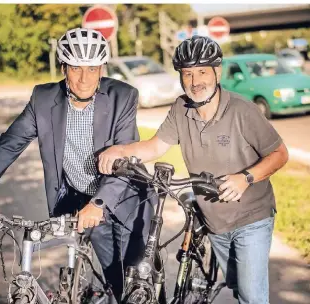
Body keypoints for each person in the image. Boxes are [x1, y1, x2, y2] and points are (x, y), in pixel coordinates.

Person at [0, 27, 154, 302]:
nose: (84, 79)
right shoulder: (43, 99)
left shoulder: (123, 96)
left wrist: (98, 204)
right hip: (85, 204)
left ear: (102, 69)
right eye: (75, 68)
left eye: (92, 69)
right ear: (63, 68)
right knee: (117, 284)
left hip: (128, 200)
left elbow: (124, 160)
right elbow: (9, 144)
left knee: (139, 284)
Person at [97, 35, 289, 304]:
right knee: (237, 286)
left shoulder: (242, 110)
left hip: (252, 218)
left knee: (252, 296)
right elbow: (155, 147)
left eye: (202, 72)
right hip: (215, 222)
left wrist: (246, 178)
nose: (195, 81)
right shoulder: (180, 108)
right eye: (187, 73)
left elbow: (280, 154)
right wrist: (121, 150)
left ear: (217, 71)